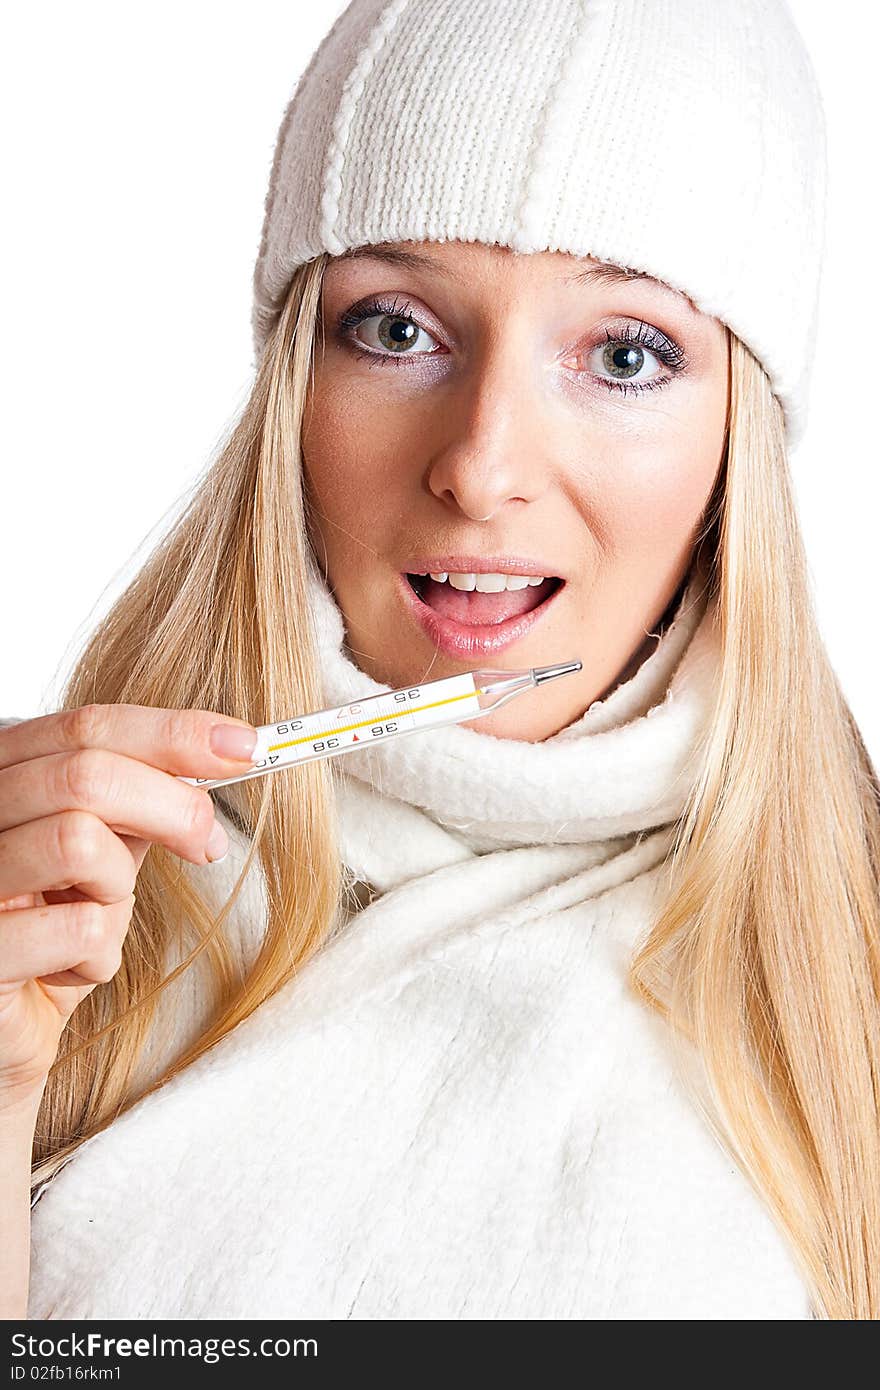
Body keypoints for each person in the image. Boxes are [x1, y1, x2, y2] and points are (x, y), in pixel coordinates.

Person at [1, 0, 877, 1321]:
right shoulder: (62, 892)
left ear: (736, 443)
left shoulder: (844, 992)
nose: (480, 466)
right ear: (294, 377)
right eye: (397, 328)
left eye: (625, 353)